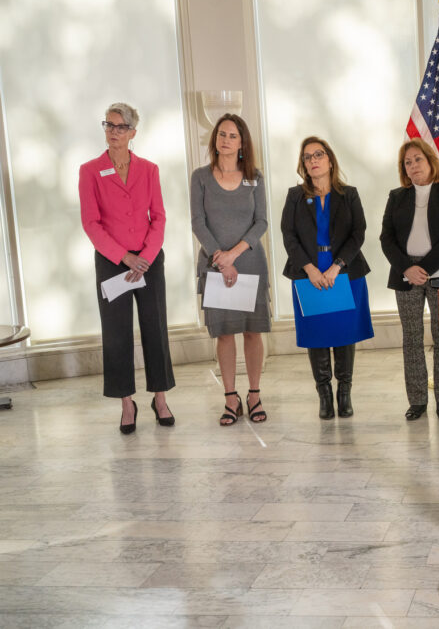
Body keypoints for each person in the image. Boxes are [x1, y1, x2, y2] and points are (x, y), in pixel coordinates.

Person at [78, 102, 176, 434]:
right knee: (117, 334)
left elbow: (159, 217)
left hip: (149, 259)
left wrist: (145, 256)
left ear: (133, 132)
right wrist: (124, 257)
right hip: (111, 262)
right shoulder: (90, 170)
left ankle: (160, 398)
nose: (113, 132)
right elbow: (91, 223)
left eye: (120, 127)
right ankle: (126, 403)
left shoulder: (149, 169)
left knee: (155, 328)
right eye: (108, 125)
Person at [280, 136, 373, 419]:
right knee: (317, 336)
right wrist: (309, 268)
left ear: (330, 160)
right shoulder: (295, 196)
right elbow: (289, 235)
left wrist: (337, 266)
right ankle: (324, 396)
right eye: (307, 157)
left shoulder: (349, 194)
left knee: (344, 335)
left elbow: (359, 233)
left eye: (318, 154)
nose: (313, 160)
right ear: (304, 165)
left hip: (343, 275)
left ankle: (344, 393)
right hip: (308, 276)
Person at [190, 114, 270, 426]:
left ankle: (253, 394)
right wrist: (219, 258)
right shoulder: (200, 177)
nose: (225, 139)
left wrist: (234, 254)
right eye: (221, 134)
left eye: (233, 135)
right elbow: (198, 221)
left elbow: (261, 221)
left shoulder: (255, 177)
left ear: (242, 143)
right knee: (224, 333)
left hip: (249, 262)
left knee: (252, 331)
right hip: (215, 265)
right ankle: (230, 398)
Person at [380, 139, 439, 421]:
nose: (413, 165)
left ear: (430, 161)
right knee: (412, 338)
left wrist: (425, 268)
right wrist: (407, 268)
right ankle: (417, 400)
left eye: (418, 159)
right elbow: (386, 238)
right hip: (405, 274)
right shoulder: (396, 197)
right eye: (408, 162)